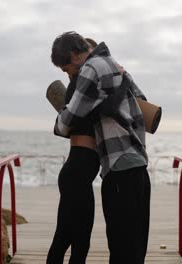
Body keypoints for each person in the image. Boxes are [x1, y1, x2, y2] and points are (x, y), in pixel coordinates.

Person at [50, 31, 151, 264]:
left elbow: (68, 120)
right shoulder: (117, 67)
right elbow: (143, 104)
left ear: (74, 56)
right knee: (135, 242)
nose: (70, 75)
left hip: (118, 164)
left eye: (66, 69)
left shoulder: (90, 69)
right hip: (138, 161)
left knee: (120, 243)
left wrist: (59, 124)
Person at [46, 39, 100, 264]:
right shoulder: (81, 86)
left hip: (76, 174)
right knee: (76, 240)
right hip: (77, 174)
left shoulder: (81, 87)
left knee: (67, 237)